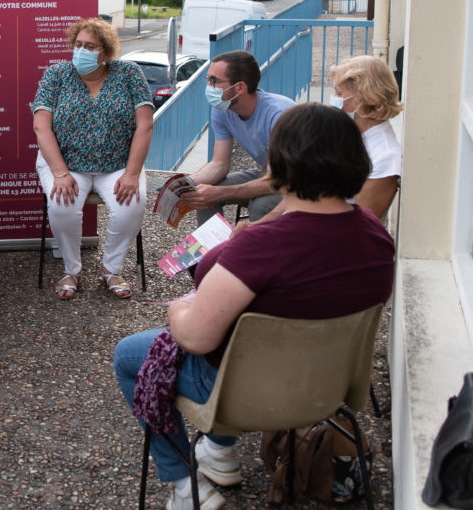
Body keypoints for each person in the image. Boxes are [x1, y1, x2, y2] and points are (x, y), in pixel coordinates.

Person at [113, 103, 394, 510]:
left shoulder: (262, 246)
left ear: (281, 162)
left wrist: (179, 307)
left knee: (128, 355)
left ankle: (182, 486)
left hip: (244, 393)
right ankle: (221, 455)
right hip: (329, 388)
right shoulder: (375, 234)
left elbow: (194, 337)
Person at [32, 17, 154, 300]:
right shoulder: (56, 74)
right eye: (78, 44)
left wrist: (133, 173)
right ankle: (71, 270)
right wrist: (60, 173)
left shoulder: (129, 73)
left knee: (132, 205)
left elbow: (145, 125)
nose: (81, 51)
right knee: (61, 205)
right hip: (66, 162)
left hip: (118, 163)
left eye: (90, 46)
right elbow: (41, 126)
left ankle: (111, 270)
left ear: (106, 53)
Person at [179, 50, 294, 226]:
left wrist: (222, 193)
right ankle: (213, 250)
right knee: (202, 194)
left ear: (239, 87)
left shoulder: (279, 115)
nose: (209, 86)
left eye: (214, 81)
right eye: (208, 80)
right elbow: (219, 164)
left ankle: (254, 252)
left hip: (299, 183)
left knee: (260, 205)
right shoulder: (222, 110)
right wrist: (185, 185)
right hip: (268, 174)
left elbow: (276, 180)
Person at [329, 55, 403, 220]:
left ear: (362, 99)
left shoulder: (385, 156)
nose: (334, 99)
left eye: (338, 93)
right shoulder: (351, 137)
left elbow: (359, 225)